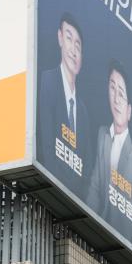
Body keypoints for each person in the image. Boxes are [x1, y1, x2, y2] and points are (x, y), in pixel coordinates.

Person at [87, 61, 132, 249]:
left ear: (129, 110)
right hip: (96, 235)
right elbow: (95, 188)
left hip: (123, 249)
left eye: (122, 93)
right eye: (113, 88)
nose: (116, 98)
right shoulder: (102, 135)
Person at [37, 12, 92, 201]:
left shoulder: (83, 112)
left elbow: (87, 171)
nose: (74, 50)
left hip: (72, 203)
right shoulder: (47, 81)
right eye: (69, 38)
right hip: (46, 194)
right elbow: (46, 146)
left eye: (78, 45)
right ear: (60, 38)